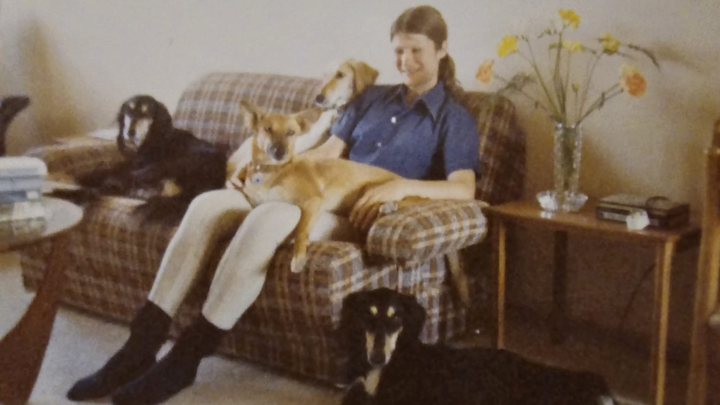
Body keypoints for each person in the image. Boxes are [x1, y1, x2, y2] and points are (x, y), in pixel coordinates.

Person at [67, 5, 480, 405]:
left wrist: (399, 188)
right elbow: (327, 152)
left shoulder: (453, 117)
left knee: (267, 219)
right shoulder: (371, 99)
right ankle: (138, 347)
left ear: (442, 50)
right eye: (399, 51)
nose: (405, 61)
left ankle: (184, 360)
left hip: (350, 211)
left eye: (416, 50)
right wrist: (259, 171)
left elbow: (463, 188)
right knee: (208, 205)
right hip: (310, 186)